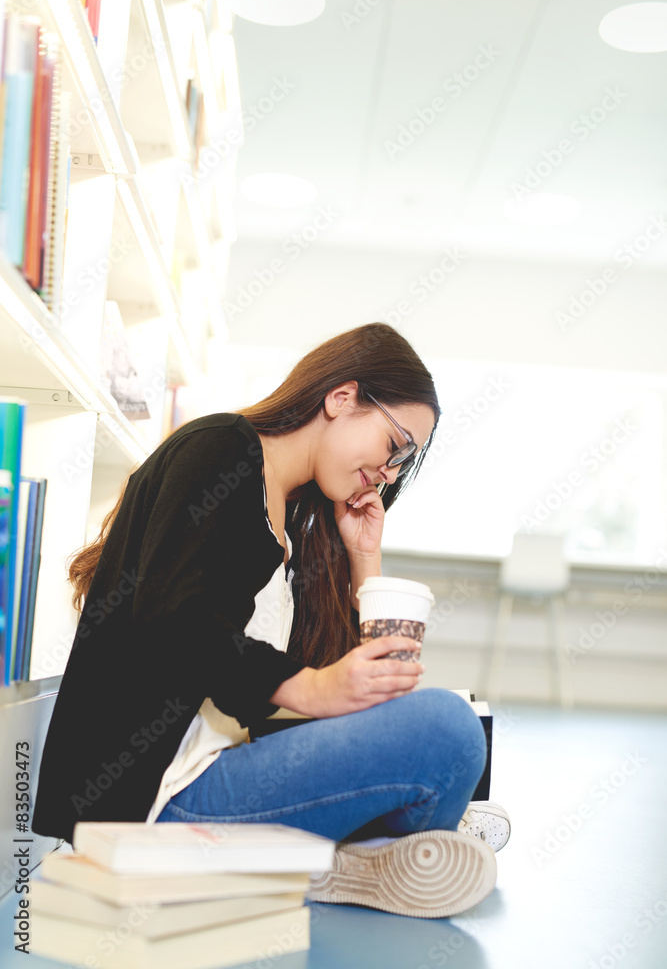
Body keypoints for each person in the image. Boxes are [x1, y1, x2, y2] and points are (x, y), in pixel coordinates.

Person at [32, 323, 505, 918]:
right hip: (156, 800)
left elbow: (359, 694)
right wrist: (312, 687)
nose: (389, 473)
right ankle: (345, 858)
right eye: (394, 445)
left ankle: (335, 857)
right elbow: (175, 622)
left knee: (446, 731)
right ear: (342, 398)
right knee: (448, 730)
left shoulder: (298, 521)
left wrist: (364, 557)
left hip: (218, 774)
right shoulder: (221, 448)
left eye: (403, 462)